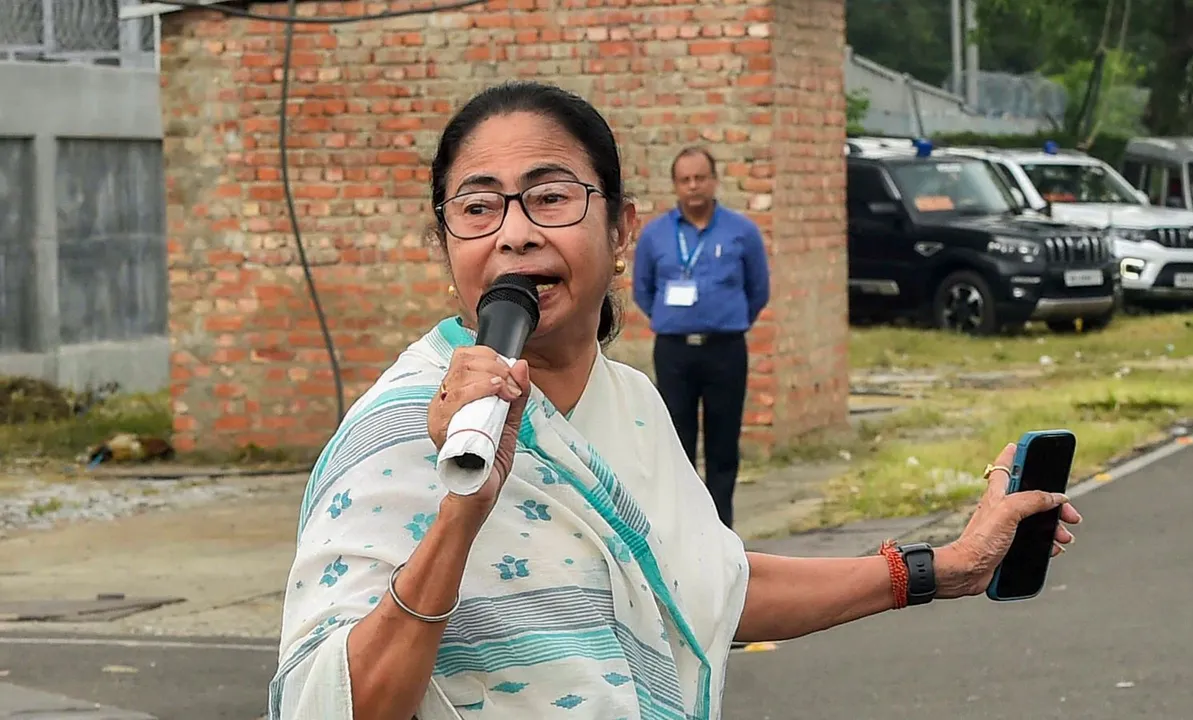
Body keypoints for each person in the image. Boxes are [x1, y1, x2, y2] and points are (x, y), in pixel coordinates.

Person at [268, 80, 1083, 720]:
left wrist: (942, 568)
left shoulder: (630, 405)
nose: (513, 233)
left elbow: (703, 587)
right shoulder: (402, 429)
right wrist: (460, 515)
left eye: (550, 197)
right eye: (477, 208)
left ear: (621, 232)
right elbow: (346, 706)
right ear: (447, 246)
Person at [631, 147, 770, 529]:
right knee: (678, 441)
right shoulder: (656, 235)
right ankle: (684, 530)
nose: (693, 186)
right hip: (674, 352)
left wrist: (727, 319)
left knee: (723, 444)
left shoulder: (741, 231)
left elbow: (758, 290)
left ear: (714, 181)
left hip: (725, 350)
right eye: (685, 180)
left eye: (700, 178)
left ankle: (721, 530)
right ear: (675, 185)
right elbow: (643, 291)